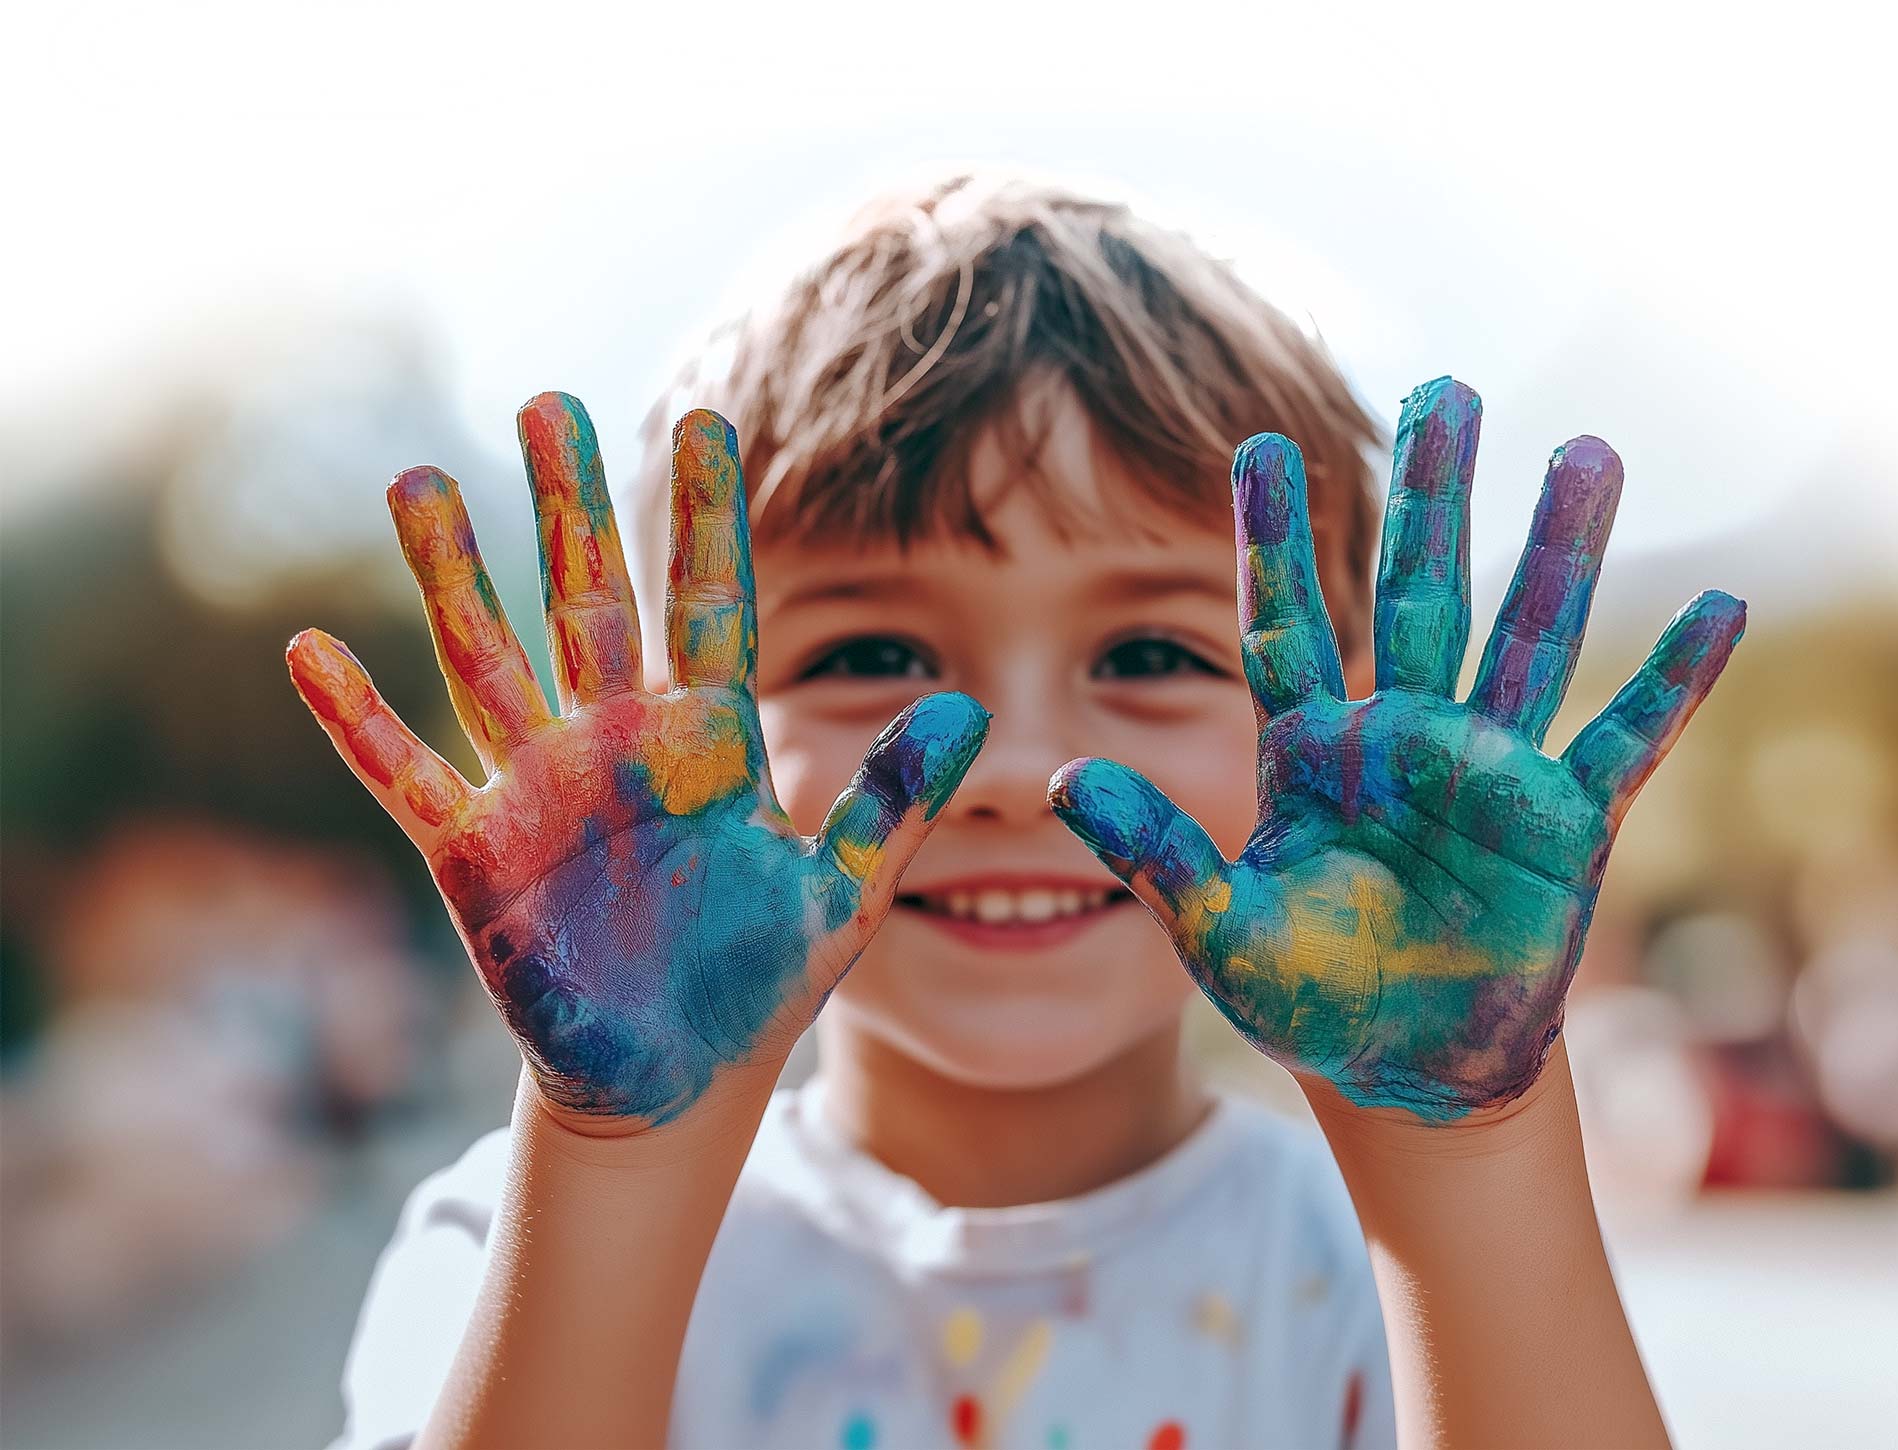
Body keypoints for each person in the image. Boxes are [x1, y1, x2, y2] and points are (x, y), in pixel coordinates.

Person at [296, 167, 1743, 1450]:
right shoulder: (510, 1248)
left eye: (1153, 655)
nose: (1011, 767)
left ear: (1361, 713)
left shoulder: (1407, 1279)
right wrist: (618, 1153)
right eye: (870, 654)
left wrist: (1465, 1143)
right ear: (679, 714)